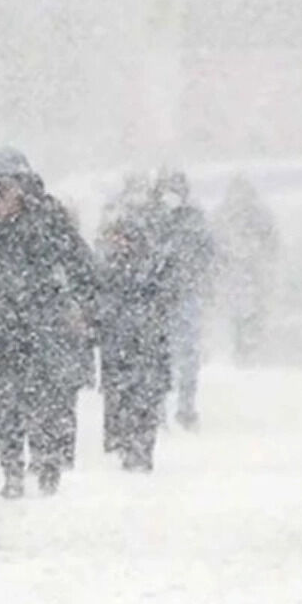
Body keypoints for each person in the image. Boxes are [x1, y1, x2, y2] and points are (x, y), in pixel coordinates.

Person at [0, 148, 97, 498]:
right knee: (10, 396)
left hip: (45, 319)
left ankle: (47, 461)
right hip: (3, 322)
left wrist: (82, 307)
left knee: (47, 395)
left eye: (12, 183)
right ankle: (12, 470)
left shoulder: (48, 215)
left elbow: (80, 262)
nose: (6, 191)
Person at [97, 181, 177, 472]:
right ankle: (128, 446)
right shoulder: (109, 268)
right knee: (125, 400)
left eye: (126, 238)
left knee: (144, 400)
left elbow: (166, 298)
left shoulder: (151, 268)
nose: (121, 244)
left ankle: (141, 450)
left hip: (144, 346)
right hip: (122, 347)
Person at [153, 168, 213, 429]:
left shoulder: (191, 221)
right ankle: (163, 410)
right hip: (163, 298)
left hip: (182, 296)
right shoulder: (156, 219)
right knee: (162, 356)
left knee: (184, 356)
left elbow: (207, 255)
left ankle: (182, 408)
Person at [213, 176, 278, 363]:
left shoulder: (257, 215)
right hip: (238, 273)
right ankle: (243, 347)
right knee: (239, 311)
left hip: (252, 272)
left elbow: (271, 241)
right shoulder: (224, 214)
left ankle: (249, 347)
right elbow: (215, 244)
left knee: (252, 310)